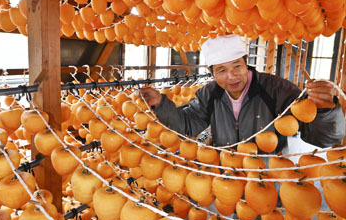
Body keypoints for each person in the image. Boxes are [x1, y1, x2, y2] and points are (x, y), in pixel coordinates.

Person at [140, 35, 345, 151]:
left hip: (268, 171)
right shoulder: (209, 93)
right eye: (221, 70)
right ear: (211, 73)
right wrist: (161, 104)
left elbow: (322, 138)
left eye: (237, 66)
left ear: (246, 62)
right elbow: (188, 124)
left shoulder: (275, 89)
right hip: (229, 171)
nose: (231, 76)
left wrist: (326, 111)